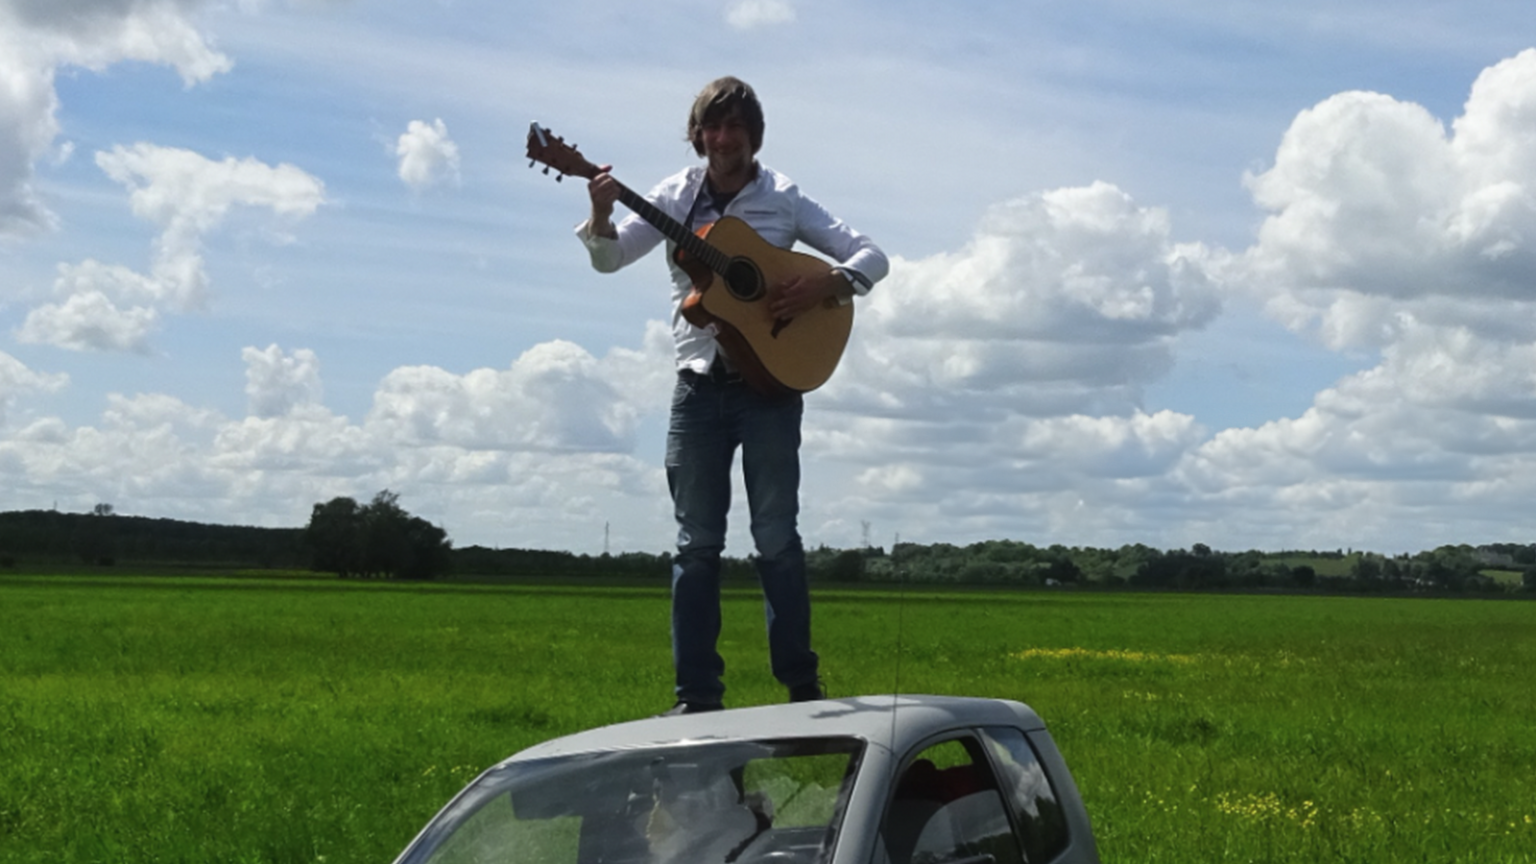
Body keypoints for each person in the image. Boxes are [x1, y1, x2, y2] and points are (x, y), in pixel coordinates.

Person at [576, 76, 889, 714]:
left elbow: (871, 255)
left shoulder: (783, 197)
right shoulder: (672, 196)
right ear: (698, 135)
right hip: (697, 388)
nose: (724, 140)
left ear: (754, 136)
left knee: (776, 536)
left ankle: (801, 687)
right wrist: (603, 213)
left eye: (736, 128)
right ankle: (697, 697)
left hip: (771, 388)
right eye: (713, 128)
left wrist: (827, 285)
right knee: (696, 544)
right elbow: (610, 262)